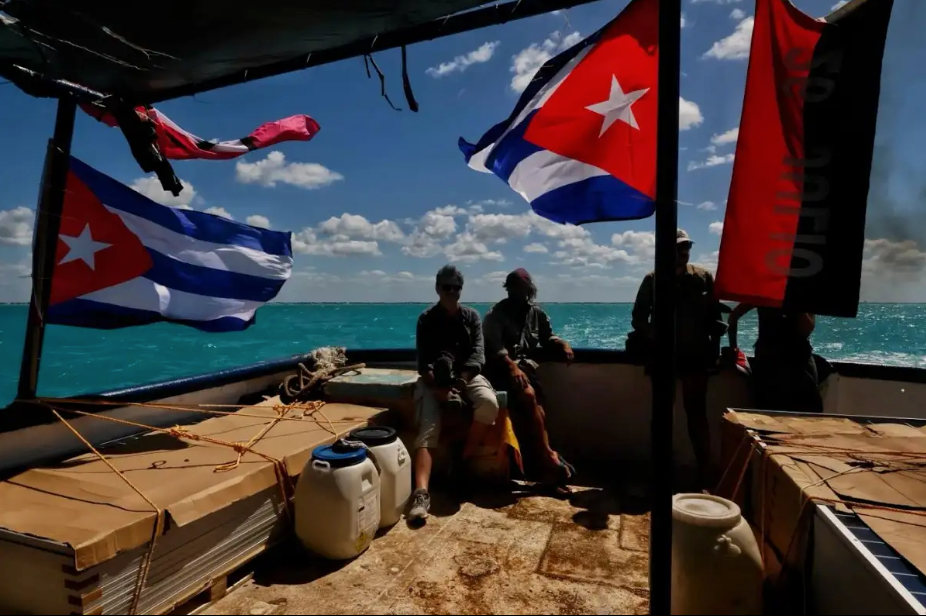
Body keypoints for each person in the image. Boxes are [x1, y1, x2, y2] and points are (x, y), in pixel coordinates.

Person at [631, 228, 726, 487]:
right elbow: (638, 319)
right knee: (662, 416)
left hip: (696, 357)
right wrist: (656, 338)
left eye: (686, 248)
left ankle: (706, 474)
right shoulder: (652, 280)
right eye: (677, 248)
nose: (683, 252)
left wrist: (715, 353)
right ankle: (660, 473)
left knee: (697, 414)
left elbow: (715, 319)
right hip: (662, 359)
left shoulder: (704, 277)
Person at [409, 265, 499, 522]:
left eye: (456, 287)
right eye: (446, 287)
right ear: (437, 288)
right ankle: (421, 494)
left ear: (461, 290)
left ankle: (461, 462)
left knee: (489, 403)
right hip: (433, 380)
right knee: (429, 426)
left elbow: (477, 355)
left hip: (466, 377)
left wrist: (460, 384)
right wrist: (437, 388)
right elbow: (423, 361)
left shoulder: (471, 317)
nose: (451, 292)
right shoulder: (426, 319)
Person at [483, 268, 576, 493]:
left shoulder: (537, 314)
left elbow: (547, 336)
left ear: (529, 289)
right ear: (508, 289)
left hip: (527, 372)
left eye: (522, 288)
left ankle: (544, 464)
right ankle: (549, 461)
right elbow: (494, 348)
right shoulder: (495, 315)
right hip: (501, 372)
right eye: (513, 288)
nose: (518, 293)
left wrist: (561, 344)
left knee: (540, 412)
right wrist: (512, 367)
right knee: (527, 395)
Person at [726, 304, 823, 413]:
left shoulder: (769, 292)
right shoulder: (766, 291)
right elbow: (734, 317)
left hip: (794, 362)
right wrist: (733, 349)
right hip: (772, 363)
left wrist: (733, 347)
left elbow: (733, 317)